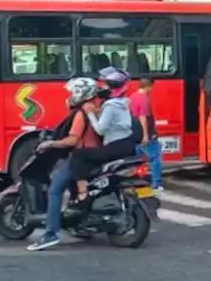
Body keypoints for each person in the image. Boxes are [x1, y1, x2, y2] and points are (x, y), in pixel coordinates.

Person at [27, 77, 103, 252]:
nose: (69, 96)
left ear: (80, 93)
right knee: (72, 185)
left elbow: (72, 140)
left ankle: (51, 233)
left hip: (81, 157)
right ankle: (79, 224)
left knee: (55, 189)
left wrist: (51, 144)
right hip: (96, 155)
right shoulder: (94, 109)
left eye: (72, 92)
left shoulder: (81, 113)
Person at [67, 66, 141, 204]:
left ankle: (83, 194)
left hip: (115, 146)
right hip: (126, 145)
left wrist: (89, 113)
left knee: (79, 155)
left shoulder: (111, 105)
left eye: (104, 85)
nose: (101, 88)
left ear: (111, 88)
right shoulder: (123, 102)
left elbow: (100, 129)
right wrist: (97, 112)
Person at [130, 77, 162, 190]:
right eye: (151, 87)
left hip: (134, 133)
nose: (152, 90)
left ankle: (137, 181)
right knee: (155, 158)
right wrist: (146, 135)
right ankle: (156, 183)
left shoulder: (133, 97)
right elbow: (143, 117)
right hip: (145, 133)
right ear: (148, 86)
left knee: (137, 159)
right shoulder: (144, 99)